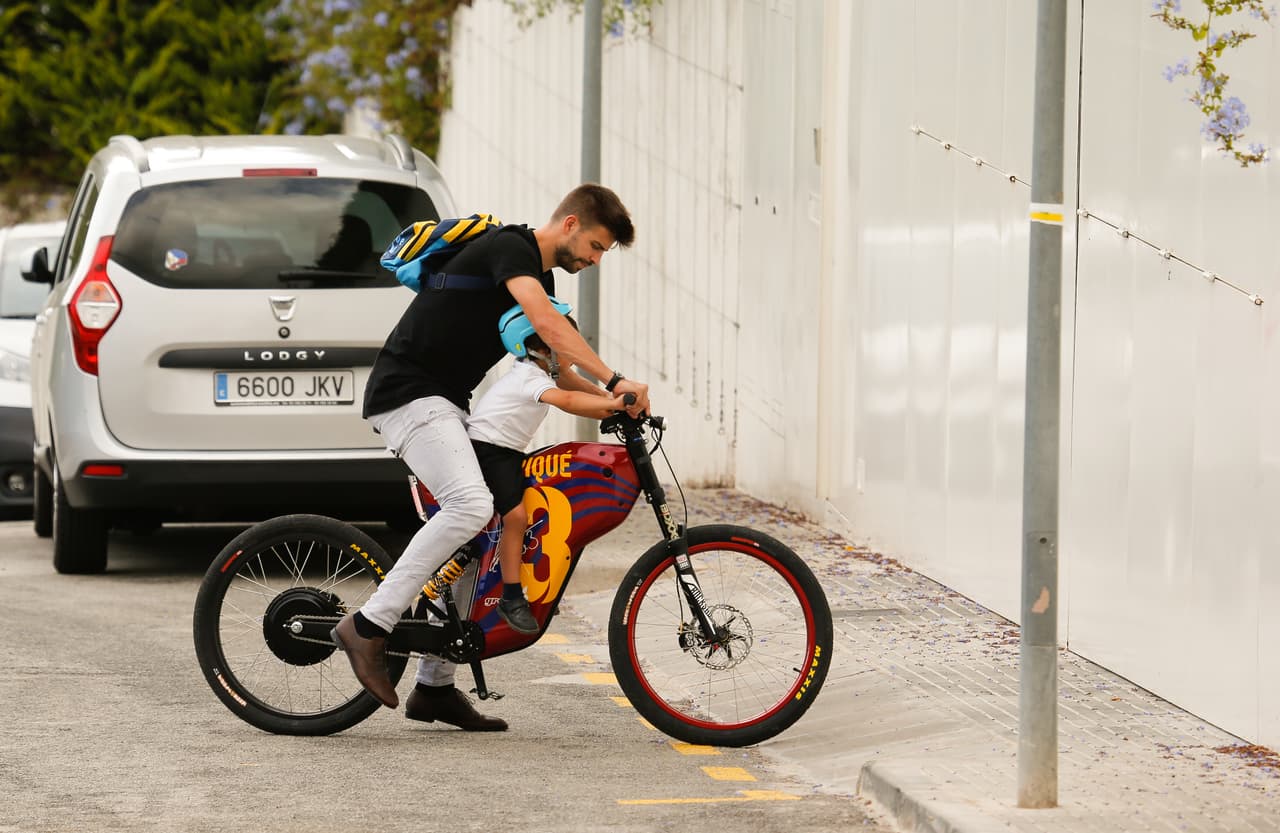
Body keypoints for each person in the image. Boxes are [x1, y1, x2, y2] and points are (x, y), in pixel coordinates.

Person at [331, 183, 649, 732]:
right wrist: (615, 378)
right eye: (596, 247)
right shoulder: (512, 249)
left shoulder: (537, 276)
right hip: (408, 394)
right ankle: (367, 625)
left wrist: (609, 403)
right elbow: (549, 326)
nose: (595, 261)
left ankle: (433, 687)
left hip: (444, 403)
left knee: (487, 523)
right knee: (471, 506)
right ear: (570, 224)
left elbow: (552, 362)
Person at [471, 307, 627, 635]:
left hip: (507, 451)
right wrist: (613, 406)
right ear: (542, 349)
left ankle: (520, 583)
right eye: (566, 344)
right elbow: (567, 398)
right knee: (516, 517)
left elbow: (572, 381)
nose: (575, 350)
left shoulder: (539, 368)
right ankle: (511, 597)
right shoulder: (529, 377)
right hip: (490, 450)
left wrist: (610, 398)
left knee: (535, 506)